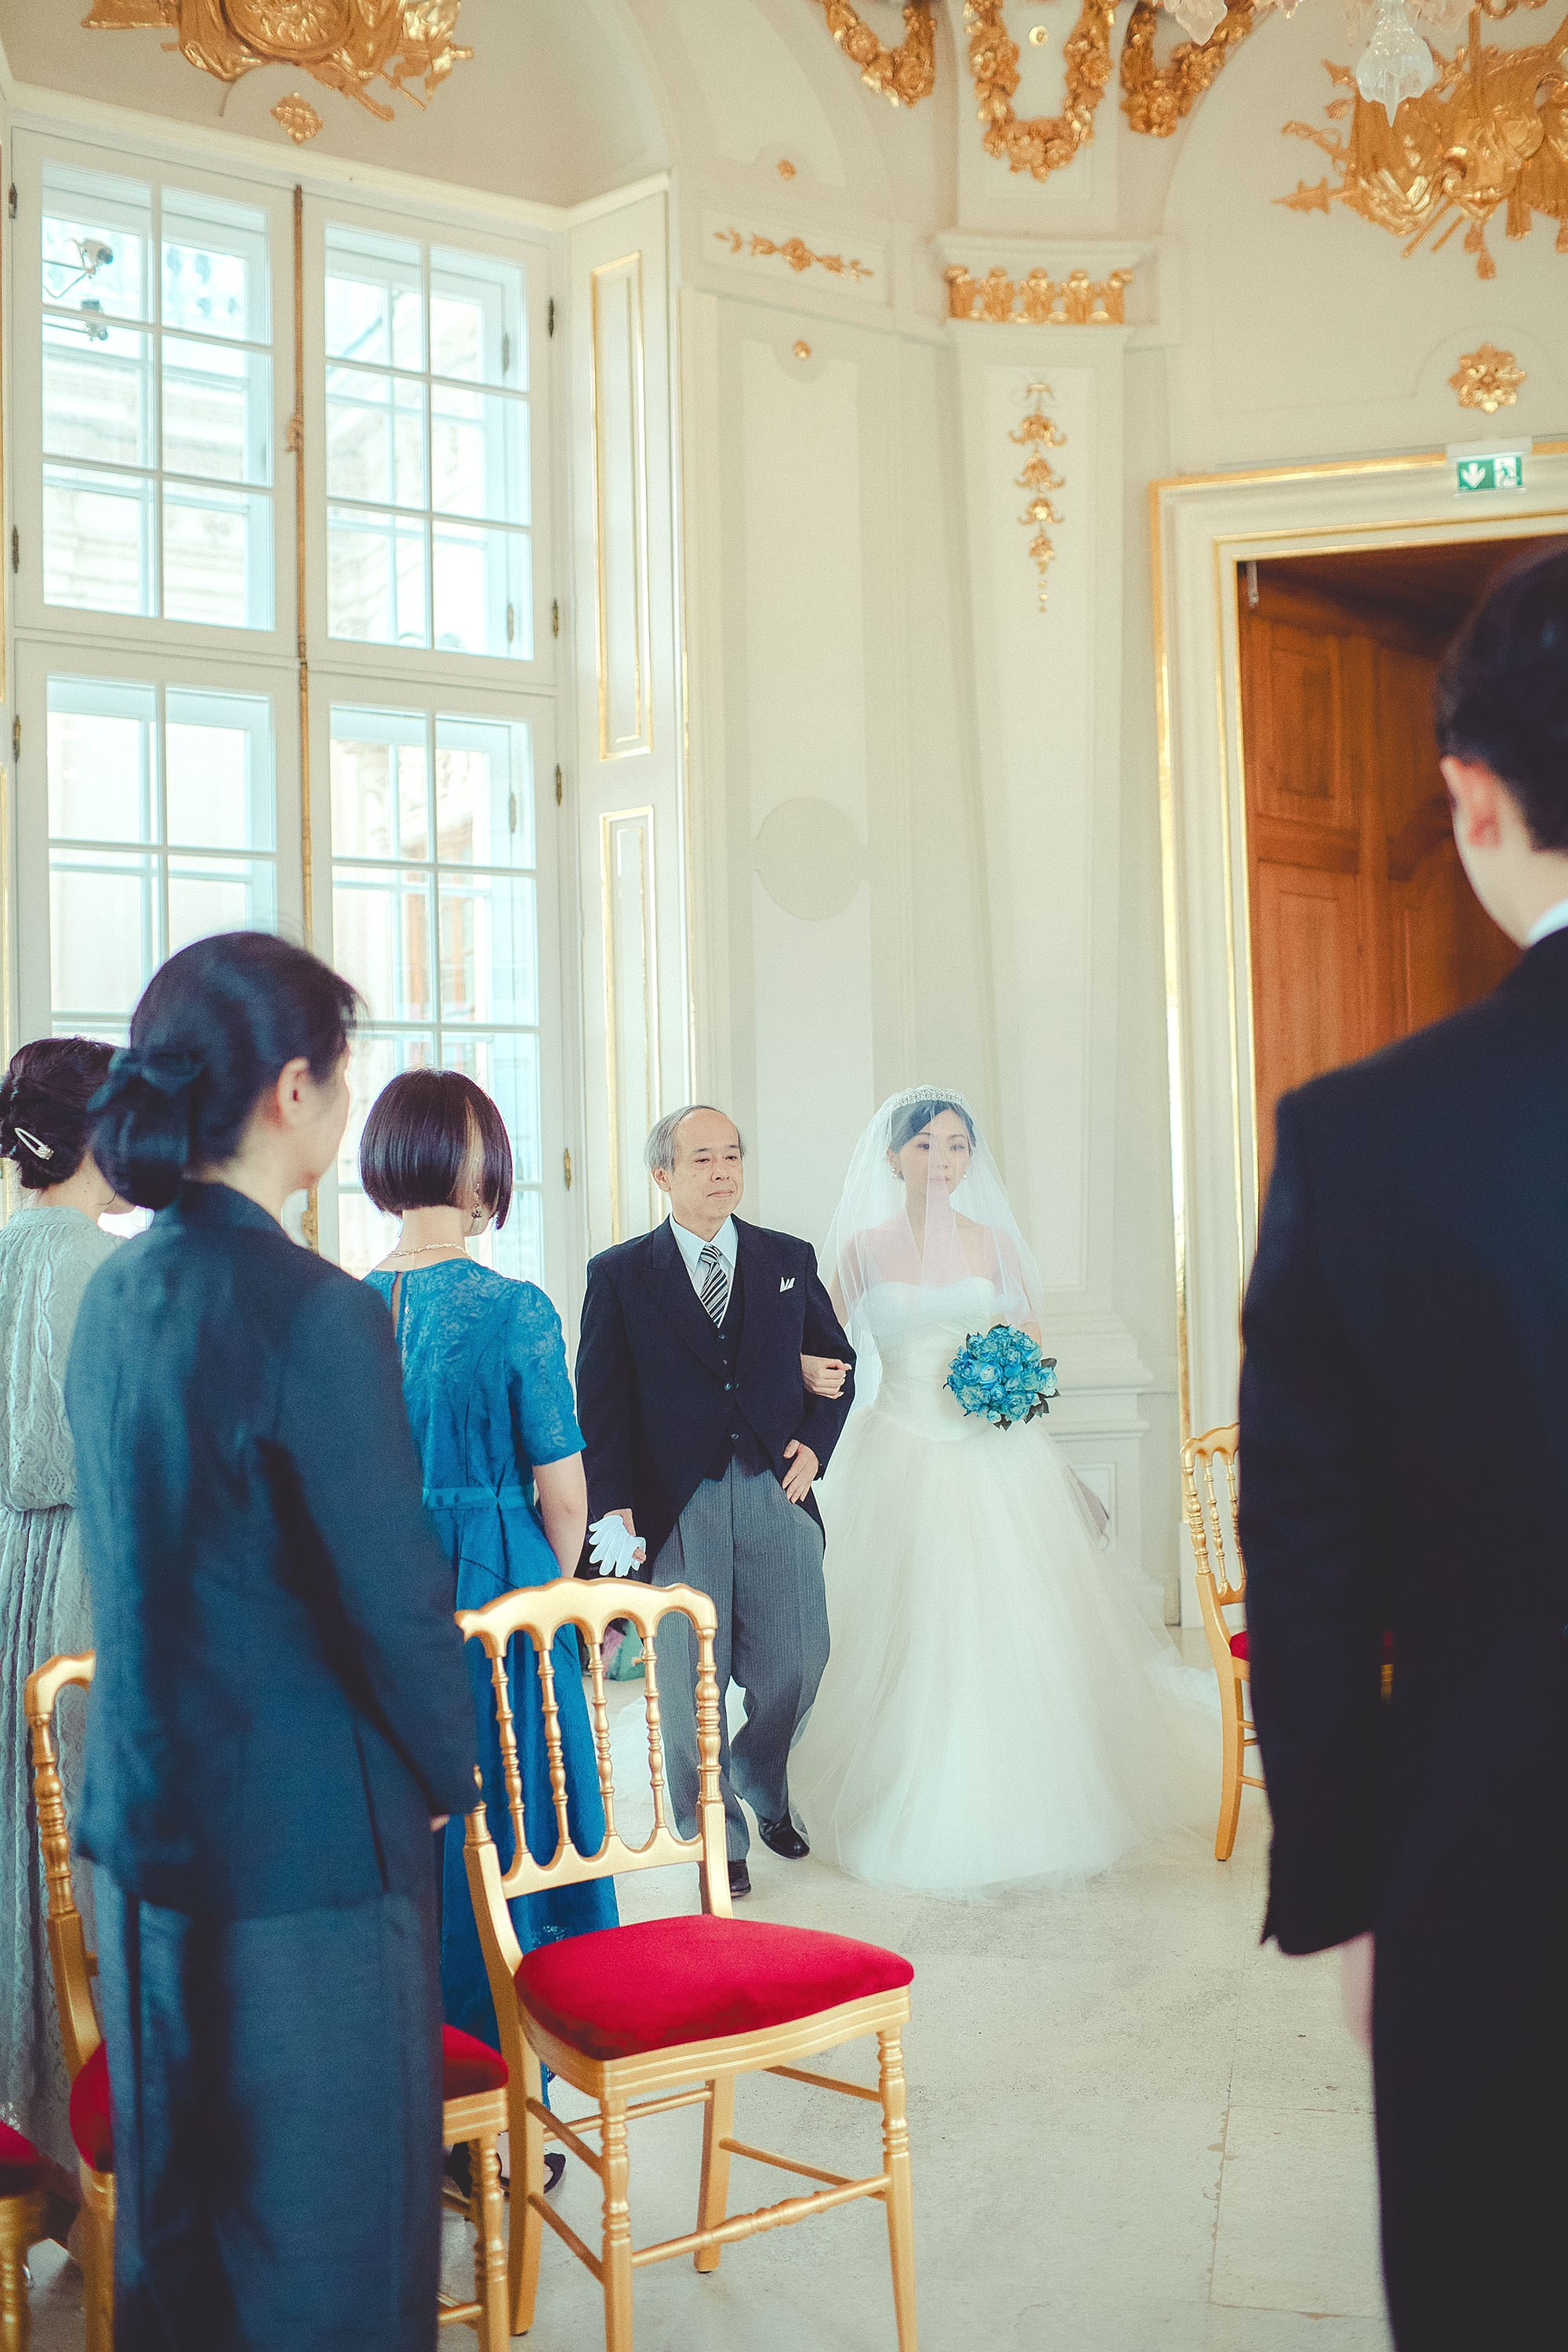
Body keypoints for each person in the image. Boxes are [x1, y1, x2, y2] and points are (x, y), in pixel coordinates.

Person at [1238, 541, 1568, 2351]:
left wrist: (1347, 1895)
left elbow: (1305, 1568)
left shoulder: (1363, 1144)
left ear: (1467, 793)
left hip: (1487, 1864)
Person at [65, 931, 477, 2352]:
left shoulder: (114, 1293)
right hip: (303, 1852)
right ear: (294, 1089)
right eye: (340, 1073)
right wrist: (456, 1772)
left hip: (142, 1831)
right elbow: (395, 1599)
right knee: (329, 2252)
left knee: (186, 2236)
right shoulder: (316, 1313)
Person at [789, 1087, 1213, 1895]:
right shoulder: (859, 1252)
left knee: (1008, 1624)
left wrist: (1006, 1383)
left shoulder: (996, 1247)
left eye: (954, 1146)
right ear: (892, 1159)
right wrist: (804, 1371)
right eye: (922, 1147)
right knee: (907, 1622)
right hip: (898, 1451)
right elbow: (821, 1345)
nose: (940, 1161)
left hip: (990, 1454)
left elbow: (1030, 1342)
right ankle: (889, 1782)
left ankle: (1029, 1792)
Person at [361, 1066, 616, 2193]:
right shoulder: (514, 1309)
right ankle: (508, 2111)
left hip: (377, 1606)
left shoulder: (341, 1306)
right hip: (499, 1596)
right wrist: (542, 1603)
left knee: (405, 1852)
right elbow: (566, 1497)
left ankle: (409, 2101)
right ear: (484, 1171)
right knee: (516, 1843)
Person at [575, 1105, 855, 1900]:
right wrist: (617, 1508)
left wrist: (815, 1443)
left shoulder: (786, 1259)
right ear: (662, 1174)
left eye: (731, 1155)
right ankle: (715, 1833)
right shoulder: (620, 1276)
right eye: (701, 1159)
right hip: (675, 1505)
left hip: (775, 1492)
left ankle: (761, 1778)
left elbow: (839, 1365)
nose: (722, 1171)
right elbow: (600, 1407)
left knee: (799, 1660)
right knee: (688, 1677)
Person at [0, 1037, 123, 2209]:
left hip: (9, 1568)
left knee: (23, 1833)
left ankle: (39, 2131)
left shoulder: (9, 1249)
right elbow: (57, 1456)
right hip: (80, 1565)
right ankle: (89, 2119)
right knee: (83, 1838)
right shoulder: (93, 1263)